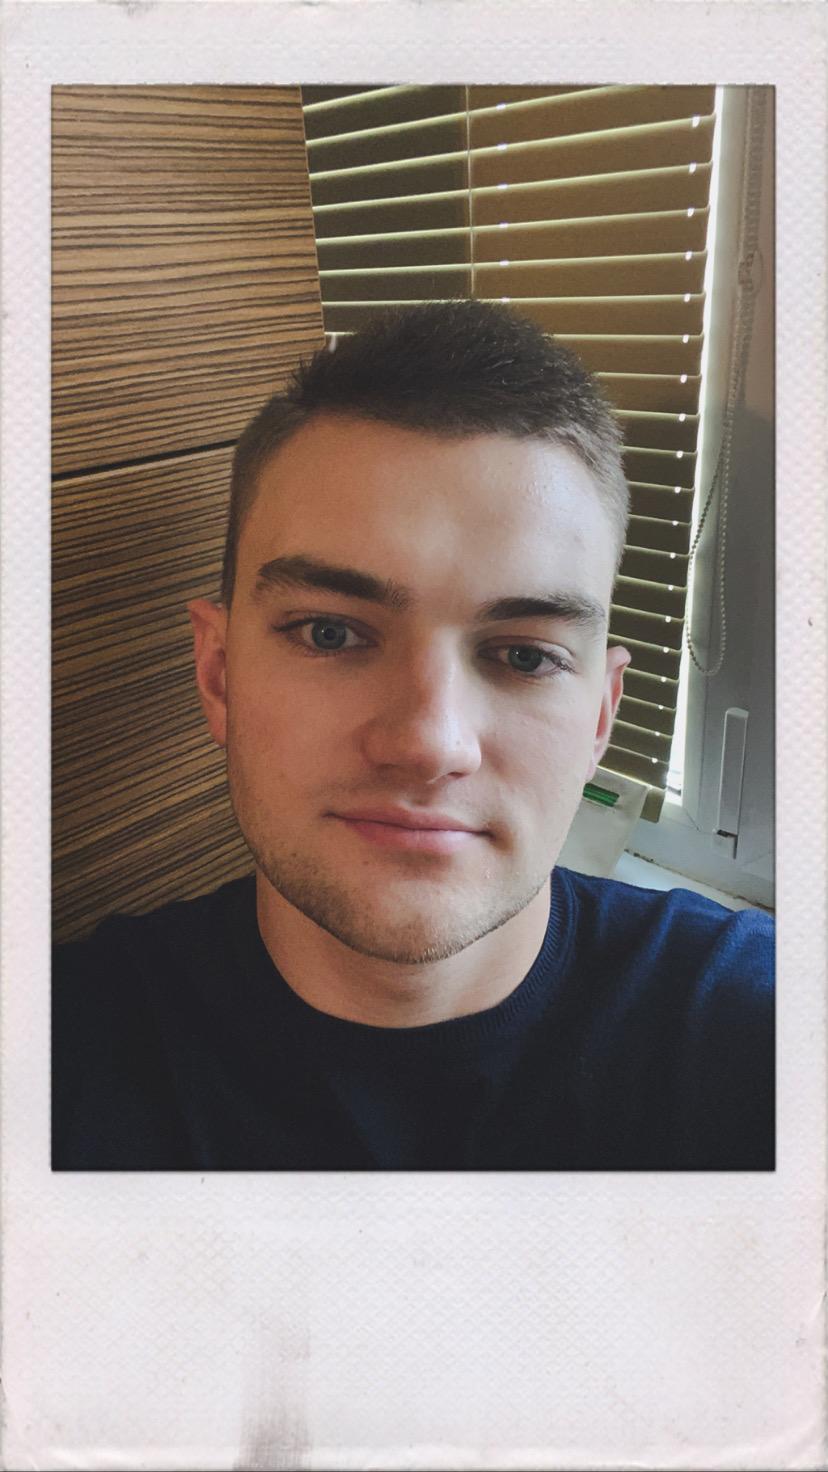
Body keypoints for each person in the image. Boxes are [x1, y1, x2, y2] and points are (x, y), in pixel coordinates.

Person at [52, 300, 774, 1171]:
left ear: (600, 718)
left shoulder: (760, 1027)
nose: (429, 743)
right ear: (220, 674)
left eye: (525, 656)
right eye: (330, 633)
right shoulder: (56, 1053)